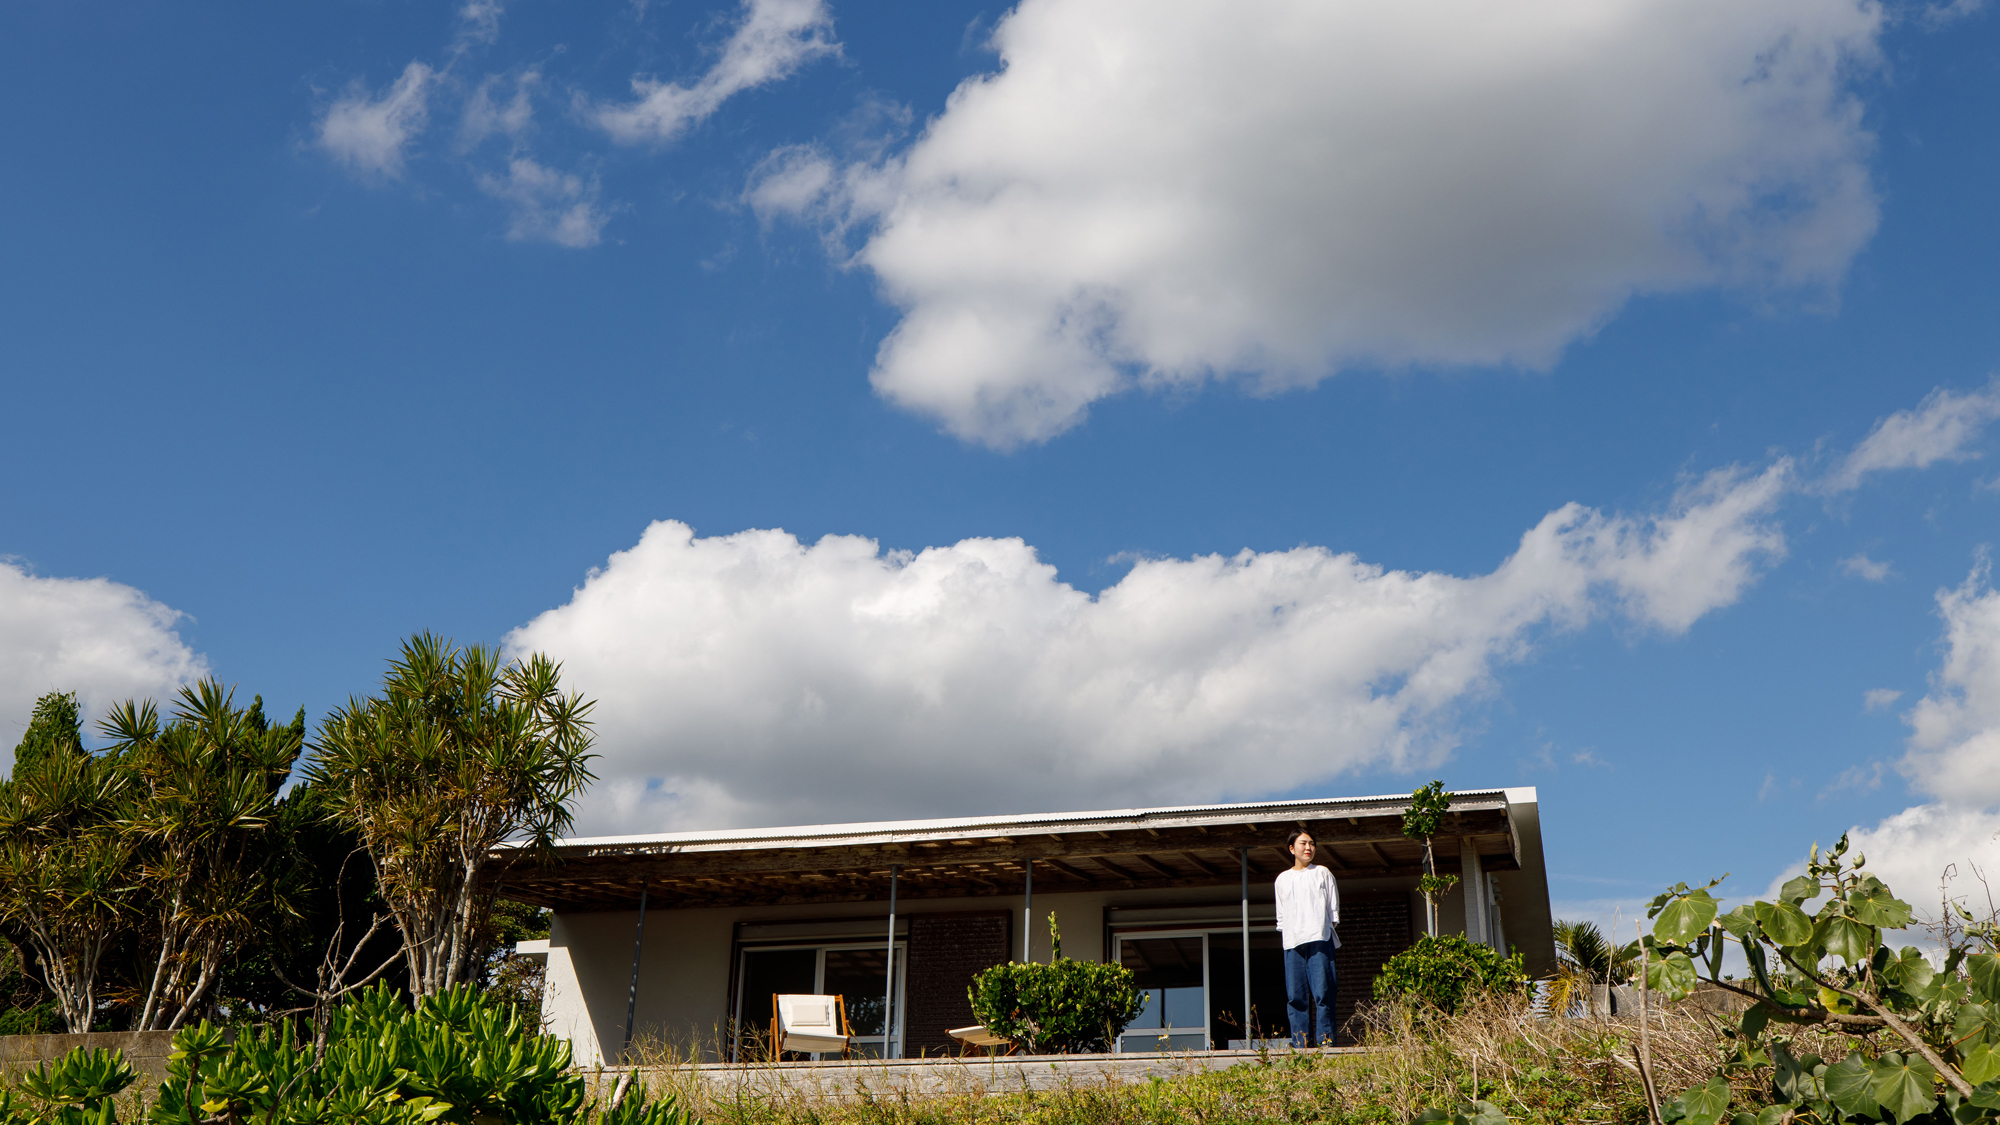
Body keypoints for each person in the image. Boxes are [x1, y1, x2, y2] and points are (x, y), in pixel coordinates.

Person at [1275, 828, 1340, 1047]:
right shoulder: (1282, 879)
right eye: (1303, 843)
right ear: (1292, 848)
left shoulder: (1322, 872)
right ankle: (1301, 1045)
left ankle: (1326, 1043)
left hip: (1320, 941)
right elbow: (1281, 916)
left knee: (1323, 994)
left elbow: (1333, 912)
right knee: (1296, 998)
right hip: (1292, 944)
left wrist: (1319, 931)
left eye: (1311, 843)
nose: (1308, 848)